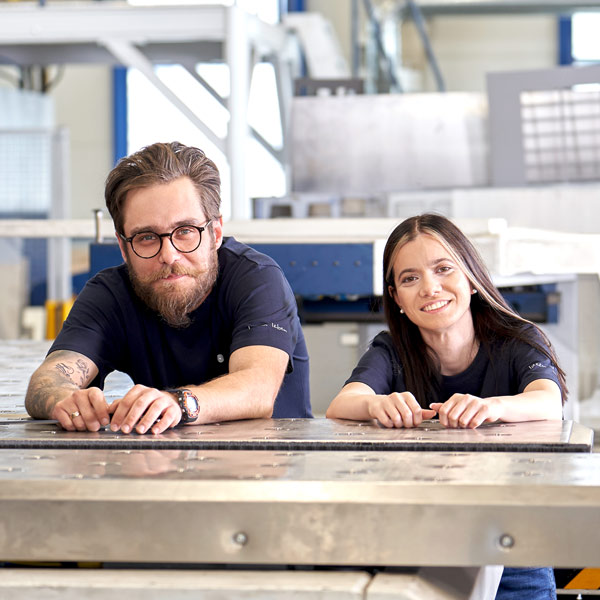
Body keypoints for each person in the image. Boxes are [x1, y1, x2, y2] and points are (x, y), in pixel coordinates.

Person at [326, 213, 565, 599]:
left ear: (470, 278)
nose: (430, 288)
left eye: (443, 269)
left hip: (514, 540)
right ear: (396, 298)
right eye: (410, 278)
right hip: (419, 535)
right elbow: (342, 404)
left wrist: (491, 407)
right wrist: (377, 404)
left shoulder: (517, 338)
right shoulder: (391, 350)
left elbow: (548, 401)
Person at [26, 141, 311, 434]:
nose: (169, 255)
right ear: (124, 248)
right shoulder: (110, 295)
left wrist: (179, 403)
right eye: (147, 237)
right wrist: (66, 401)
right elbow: (46, 380)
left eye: (185, 231)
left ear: (215, 233)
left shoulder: (256, 279)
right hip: (165, 468)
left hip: (270, 467)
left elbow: (258, 387)